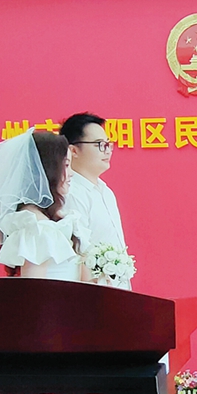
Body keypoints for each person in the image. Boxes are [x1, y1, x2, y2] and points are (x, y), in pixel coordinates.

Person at [0, 130, 87, 281]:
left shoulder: (49, 219)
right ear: (48, 170)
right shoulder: (35, 226)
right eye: (66, 165)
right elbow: (34, 287)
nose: (71, 173)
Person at [59, 112, 131, 289]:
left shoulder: (105, 191)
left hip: (117, 290)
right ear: (73, 151)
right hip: (93, 293)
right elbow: (76, 255)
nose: (107, 150)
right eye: (99, 144)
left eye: (108, 144)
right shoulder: (72, 194)